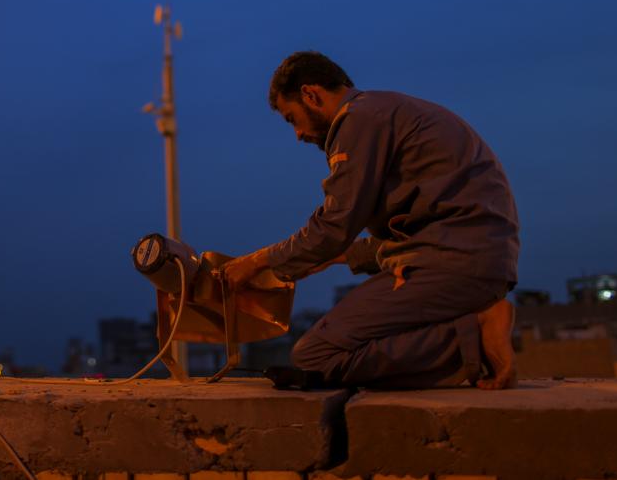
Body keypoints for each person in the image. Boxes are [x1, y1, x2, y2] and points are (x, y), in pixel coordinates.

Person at [221, 51, 520, 389]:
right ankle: (471, 330)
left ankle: (476, 331)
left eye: (292, 119)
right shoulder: (381, 112)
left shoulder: (357, 120)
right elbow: (414, 227)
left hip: (456, 263)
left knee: (316, 355)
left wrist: (257, 261)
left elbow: (334, 225)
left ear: (311, 94)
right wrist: (336, 256)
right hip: (471, 258)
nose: (298, 134)